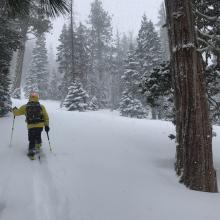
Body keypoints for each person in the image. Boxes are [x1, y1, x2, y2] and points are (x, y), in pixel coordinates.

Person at [12, 92, 49, 159]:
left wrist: (14, 110)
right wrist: (46, 125)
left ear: (29, 98)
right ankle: (38, 146)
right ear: (37, 98)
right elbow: (46, 116)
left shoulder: (25, 107)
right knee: (38, 135)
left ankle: (31, 152)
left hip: (31, 126)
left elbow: (16, 113)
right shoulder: (41, 106)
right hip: (40, 125)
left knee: (31, 138)